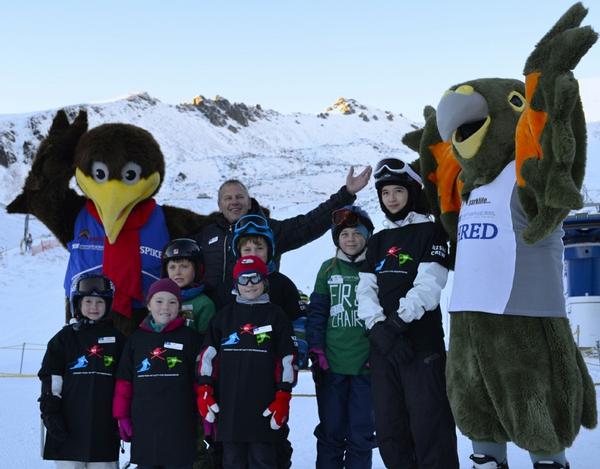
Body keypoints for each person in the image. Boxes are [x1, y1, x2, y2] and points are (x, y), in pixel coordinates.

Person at [356, 158, 459, 469]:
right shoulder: (376, 241)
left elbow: (429, 285)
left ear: (412, 192)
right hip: (385, 350)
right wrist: (379, 330)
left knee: (430, 427)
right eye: (385, 193)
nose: (392, 198)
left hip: (422, 345)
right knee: (390, 430)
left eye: (398, 190)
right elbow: (365, 290)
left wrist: (396, 324)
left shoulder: (431, 231)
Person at [193, 166, 372, 308]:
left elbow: (309, 224)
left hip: (262, 316)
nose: (234, 202)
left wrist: (346, 195)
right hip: (215, 318)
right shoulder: (207, 234)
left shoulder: (269, 230)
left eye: (240, 197)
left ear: (249, 201)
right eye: (228, 198)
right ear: (219, 204)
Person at [197, 256, 296, 469]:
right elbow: (208, 358)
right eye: (244, 279)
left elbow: (287, 359)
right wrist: (204, 389)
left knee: (263, 459)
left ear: (265, 281)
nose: (250, 285)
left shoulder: (276, 316)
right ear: (235, 284)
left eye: (255, 278)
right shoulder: (223, 318)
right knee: (232, 460)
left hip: (265, 408)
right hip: (230, 408)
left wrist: (283, 394)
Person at [306, 205, 376, 468]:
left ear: (367, 236)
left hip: (365, 370)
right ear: (337, 238)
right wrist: (316, 349)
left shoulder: (375, 268)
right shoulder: (327, 269)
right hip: (332, 367)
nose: (351, 239)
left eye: (357, 234)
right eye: (344, 234)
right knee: (331, 433)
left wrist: (378, 354)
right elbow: (317, 313)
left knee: (361, 434)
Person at [38, 273, 125, 469]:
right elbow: (52, 377)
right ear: (77, 303)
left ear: (108, 304)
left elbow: (125, 381)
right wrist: (50, 412)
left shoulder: (118, 339)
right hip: (68, 426)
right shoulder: (64, 338)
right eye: (88, 301)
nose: (94, 307)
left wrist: (125, 416)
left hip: (103, 428)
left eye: (99, 302)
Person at [113, 278, 201, 469]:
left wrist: (205, 415)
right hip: (145, 424)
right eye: (159, 301)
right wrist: (122, 417)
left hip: (180, 423)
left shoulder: (190, 338)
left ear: (179, 306)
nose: (165, 307)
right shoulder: (136, 339)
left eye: (172, 302)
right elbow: (124, 383)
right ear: (148, 305)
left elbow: (199, 381)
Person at [231, 214, 302, 322]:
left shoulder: (284, 285)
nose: (253, 254)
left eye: (259, 248)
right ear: (238, 253)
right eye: (247, 250)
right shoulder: (228, 285)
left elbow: (298, 322)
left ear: (269, 251)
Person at [161, 238, 216, 336]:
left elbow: (206, 341)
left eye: (184, 266)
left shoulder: (204, 304)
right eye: (172, 267)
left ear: (197, 269)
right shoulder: (159, 300)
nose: (177, 272)